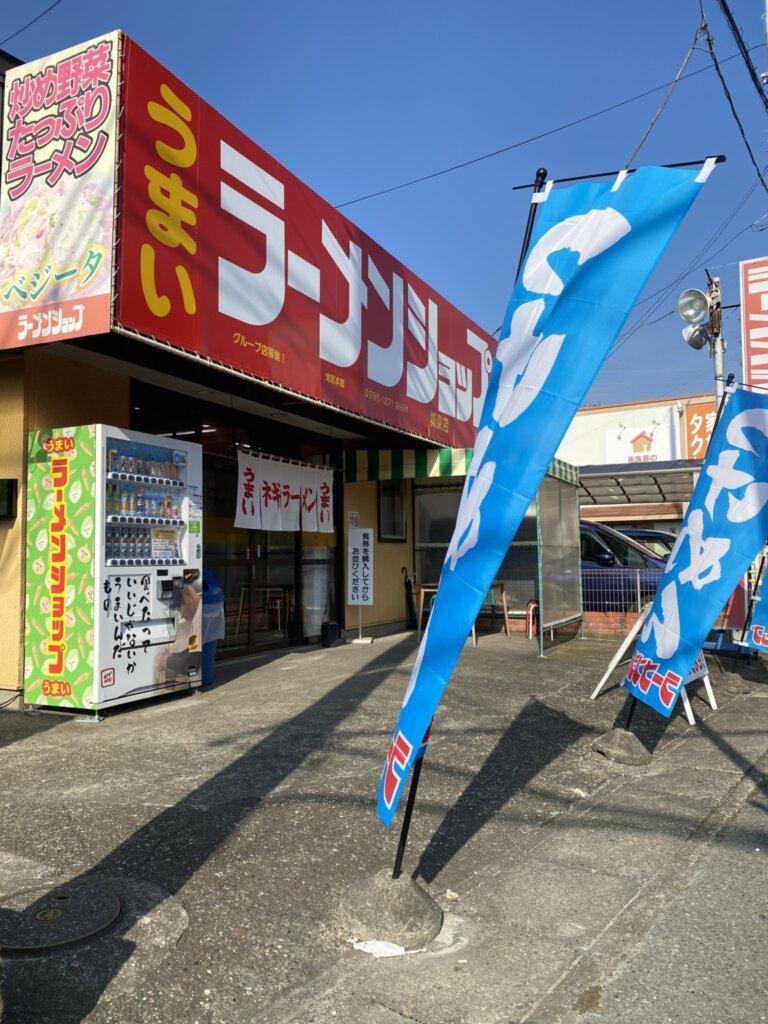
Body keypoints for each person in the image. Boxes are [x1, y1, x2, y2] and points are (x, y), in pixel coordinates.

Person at [155, 580, 203, 683]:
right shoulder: (195, 617)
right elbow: (192, 650)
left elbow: (192, 664)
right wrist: (171, 656)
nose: (181, 615)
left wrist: (166, 662)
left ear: (189, 594)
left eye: (180, 608)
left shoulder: (200, 616)